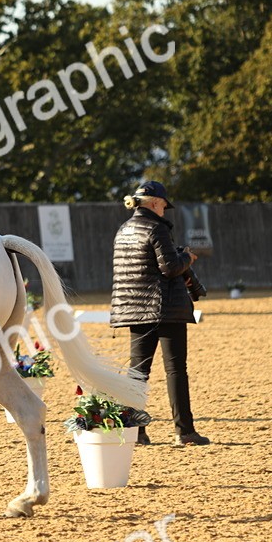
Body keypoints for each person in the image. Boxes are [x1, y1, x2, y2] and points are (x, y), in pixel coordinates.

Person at [110, 181, 210, 446]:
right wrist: (188, 257)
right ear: (155, 203)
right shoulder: (156, 227)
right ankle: (184, 431)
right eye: (164, 206)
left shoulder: (123, 230)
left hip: (134, 308)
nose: (165, 211)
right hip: (165, 308)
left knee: (137, 372)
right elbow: (170, 267)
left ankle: (136, 431)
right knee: (176, 369)